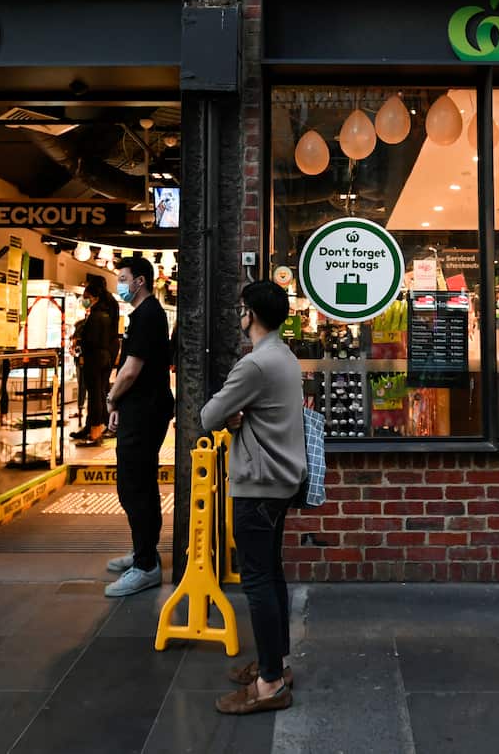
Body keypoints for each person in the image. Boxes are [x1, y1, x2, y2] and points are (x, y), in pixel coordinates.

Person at [201, 280, 305, 715]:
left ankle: (269, 683)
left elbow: (208, 416)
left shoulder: (255, 365)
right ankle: (275, 661)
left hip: (258, 484)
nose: (239, 316)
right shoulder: (283, 355)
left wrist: (233, 415)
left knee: (258, 581)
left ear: (251, 315)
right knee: (273, 575)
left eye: (242, 309)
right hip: (279, 482)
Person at [104, 256, 174, 598]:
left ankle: (146, 565)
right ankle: (144, 552)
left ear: (140, 281)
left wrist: (111, 399)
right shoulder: (143, 316)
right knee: (138, 483)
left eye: (122, 277)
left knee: (134, 486)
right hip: (139, 408)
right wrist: (121, 404)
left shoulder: (149, 315)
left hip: (146, 410)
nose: (119, 283)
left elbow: (131, 370)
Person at [72, 279, 116, 446]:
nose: (85, 300)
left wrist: (81, 348)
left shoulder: (95, 316)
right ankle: (93, 428)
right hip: (104, 358)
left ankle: (95, 431)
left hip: (94, 359)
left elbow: (90, 340)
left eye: (87, 296)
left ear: (95, 297)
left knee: (94, 396)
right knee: (98, 394)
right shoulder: (106, 314)